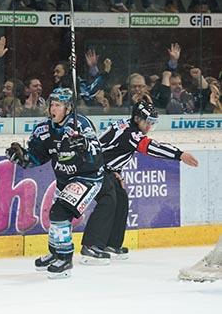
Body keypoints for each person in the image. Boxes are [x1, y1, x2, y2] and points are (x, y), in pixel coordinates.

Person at [80, 100, 199, 264]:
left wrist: (115, 171)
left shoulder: (126, 125)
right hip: (95, 169)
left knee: (121, 199)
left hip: (105, 169)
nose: (150, 126)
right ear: (137, 119)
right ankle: (91, 246)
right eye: (148, 122)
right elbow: (150, 147)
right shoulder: (131, 133)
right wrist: (180, 154)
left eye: (153, 123)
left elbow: (111, 149)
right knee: (108, 201)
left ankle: (111, 244)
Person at [6, 88, 104, 278]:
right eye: (52, 104)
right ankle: (55, 253)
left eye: (58, 105)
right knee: (57, 216)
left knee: (59, 212)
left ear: (68, 108)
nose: (53, 108)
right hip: (64, 180)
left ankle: (65, 259)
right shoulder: (44, 129)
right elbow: (37, 157)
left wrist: (84, 145)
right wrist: (22, 157)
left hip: (88, 177)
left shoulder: (80, 124)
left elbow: (97, 153)